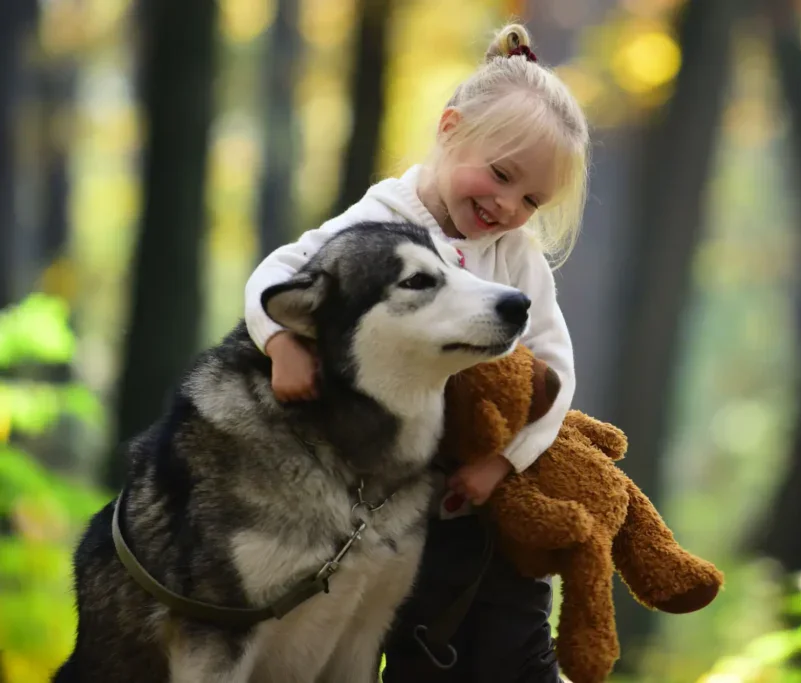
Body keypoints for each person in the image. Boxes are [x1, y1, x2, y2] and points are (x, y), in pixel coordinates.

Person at [242, 21, 590, 683]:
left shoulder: (517, 255)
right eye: (500, 175)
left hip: (464, 483)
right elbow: (275, 274)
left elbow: (556, 373)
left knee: (490, 628)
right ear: (451, 128)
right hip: (368, 482)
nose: (506, 205)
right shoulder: (378, 222)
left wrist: (501, 463)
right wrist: (282, 343)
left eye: (531, 199)